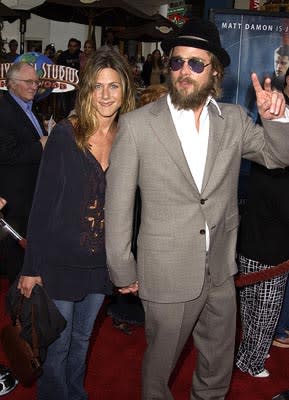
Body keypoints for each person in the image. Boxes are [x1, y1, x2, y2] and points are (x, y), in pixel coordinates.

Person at [105, 18, 289, 400]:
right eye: (177, 62)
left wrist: (276, 119)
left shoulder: (235, 121)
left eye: (195, 63)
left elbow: (277, 156)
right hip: (166, 273)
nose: (184, 71)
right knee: (160, 367)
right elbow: (119, 203)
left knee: (217, 364)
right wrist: (121, 266)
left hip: (221, 271)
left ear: (215, 72)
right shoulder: (138, 126)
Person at [17, 47, 135, 400]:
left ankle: (74, 393)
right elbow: (42, 205)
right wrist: (31, 267)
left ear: (125, 91)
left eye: (113, 86)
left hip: (101, 265)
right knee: (58, 342)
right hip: (59, 262)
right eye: (98, 86)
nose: (105, 95)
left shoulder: (130, 139)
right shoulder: (66, 136)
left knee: (82, 339)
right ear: (86, 90)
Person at [236, 163, 289, 377]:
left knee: (249, 307)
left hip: (248, 245)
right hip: (274, 255)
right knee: (265, 313)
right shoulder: (284, 177)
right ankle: (254, 363)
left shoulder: (259, 164)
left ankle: (247, 354)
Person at [0, 62, 47, 284]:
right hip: (14, 198)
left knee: (28, 254)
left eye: (36, 82)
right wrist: (41, 145)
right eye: (29, 82)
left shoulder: (28, 107)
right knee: (16, 258)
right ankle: (19, 310)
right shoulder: (4, 110)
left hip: (31, 194)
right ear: (12, 83)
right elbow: (6, 153)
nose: (35, 86)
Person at [57, 38, 81, 118]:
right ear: (68, 46)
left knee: (75, 105)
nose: (72, 48)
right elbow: (58, 69)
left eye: (74, 46)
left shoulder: (81, 55)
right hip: (66, 84)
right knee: (65, 106)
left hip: (78, 85)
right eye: (70, 46)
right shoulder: (63, 55)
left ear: (77, 47)